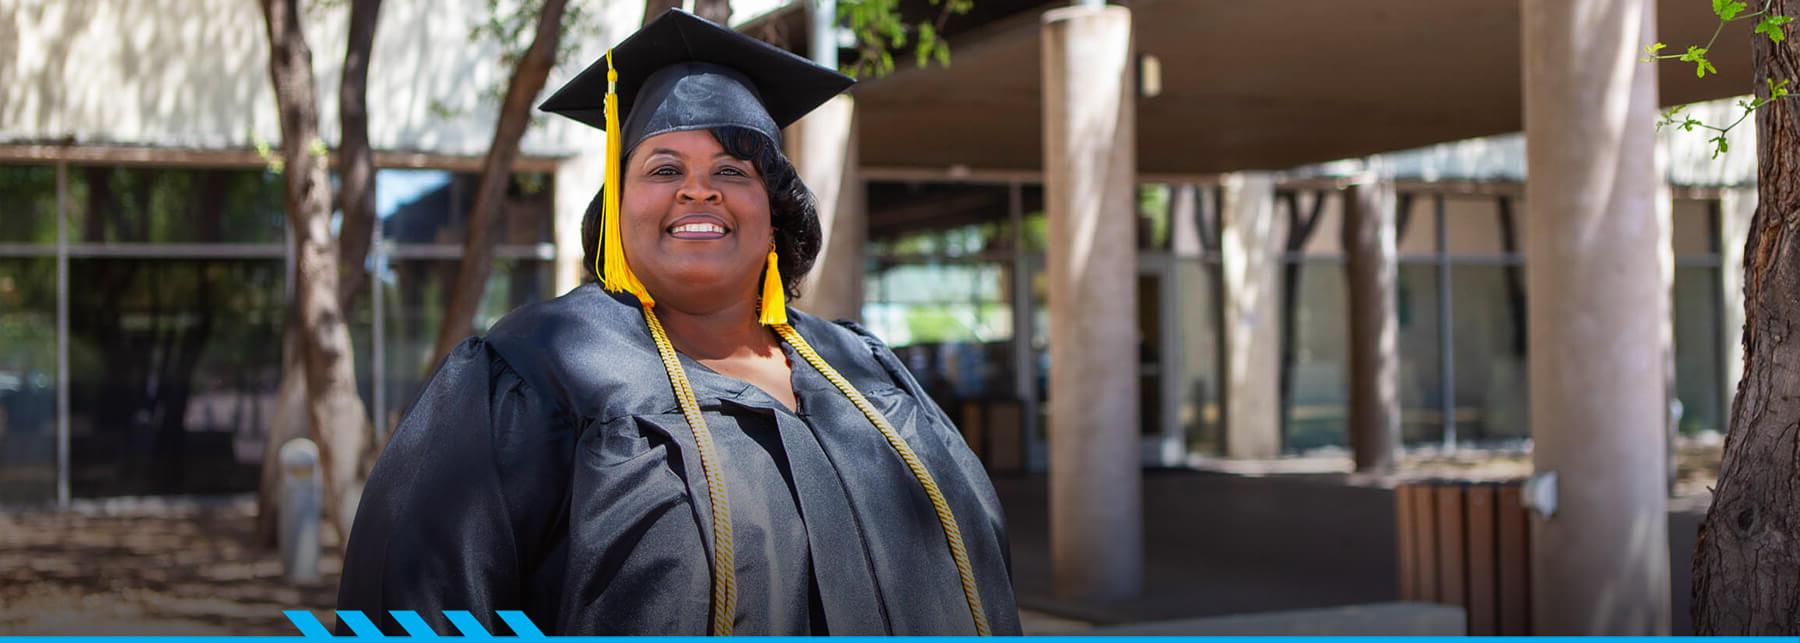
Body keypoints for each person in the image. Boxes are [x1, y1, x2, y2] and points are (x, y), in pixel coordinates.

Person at [334, 9, 1020, 636]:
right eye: (664, 167)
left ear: (775, 212)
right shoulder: (535, 374)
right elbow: (417, 605)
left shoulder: (862, 370)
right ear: (619, 206)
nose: (699, 188)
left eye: (732, 168)